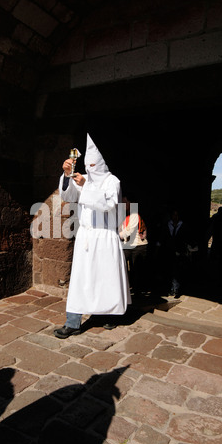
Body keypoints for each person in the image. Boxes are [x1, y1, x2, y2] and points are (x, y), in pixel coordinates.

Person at [54, 134, 131, 339]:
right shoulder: (85, 179)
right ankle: (73, 322)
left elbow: (109, 204)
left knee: (104, 279)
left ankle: (107, 314)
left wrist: (86, 185)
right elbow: (69, 196)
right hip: (87, 237)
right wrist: (67, 175)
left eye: (93, 165)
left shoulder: (112, 181)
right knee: (81, 279)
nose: (90, 170)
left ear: (102, 164)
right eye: (88, 166)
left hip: (105, 237)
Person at [119, 196, 148, 296]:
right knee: (122, 263)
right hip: (128, 245)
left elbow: (129, 230)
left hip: (138, 245)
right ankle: (128, 288)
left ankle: (138, 291)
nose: (122, 204)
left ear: (129, 202)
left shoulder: (134, 213)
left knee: (137, 269)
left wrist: (117, 235)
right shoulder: (125, 215)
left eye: (124, 202)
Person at [156, 208, 189, 297]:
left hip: (179, 251)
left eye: (177, 215)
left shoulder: (183, 226)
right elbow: (163, 236)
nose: (175, 217)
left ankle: (176, 289)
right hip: (168, 251)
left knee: (177, 271)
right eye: (174, 215)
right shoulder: (167, 225)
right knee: (169, 270)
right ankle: (170, 288)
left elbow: (185, 238)